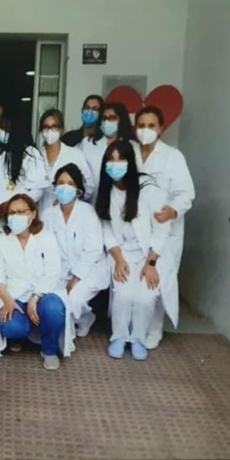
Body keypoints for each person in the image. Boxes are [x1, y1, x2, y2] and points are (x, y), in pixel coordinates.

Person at [95, 139, 178, 361]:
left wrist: (150, 264)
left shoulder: (148, 189)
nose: (115, 164)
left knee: (145, 296)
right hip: (121, 253)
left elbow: (161, 231)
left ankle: (138, 339)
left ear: (130, 162)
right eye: (110, 160)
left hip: (150, 254)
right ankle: (120, 337)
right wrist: (118, 259)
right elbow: (107, 231)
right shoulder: (107, 191)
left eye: (120, 159)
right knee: (123, 294)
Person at [132, 105, 195, 350]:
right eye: (141, 125)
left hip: (165, 228)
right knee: (138, 277)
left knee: (159, 278)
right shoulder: (132, 152)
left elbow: (186, 193)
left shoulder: (172, 156)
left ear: (161, 128)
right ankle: (135, 326)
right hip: (137, 228)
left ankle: (155, 327)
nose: (145, 130)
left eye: (151, 126)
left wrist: (173, 209)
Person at [0, 194, 70, 371]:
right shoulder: (1, 241)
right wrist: (8, 301)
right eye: (12, 213)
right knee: (12, 327)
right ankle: (20, 337)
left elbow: (53, 272)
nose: (15, 216)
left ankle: (49, 350)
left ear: (32, 214)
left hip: (43, 294)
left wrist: (35, 297)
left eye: (21, 212)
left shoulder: (46, 238)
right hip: (14, 296)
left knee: (54, 309)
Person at [41, 164, 109, 337]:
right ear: (54, 186)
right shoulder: (48, 215)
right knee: (55, 299)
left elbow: (93, 250)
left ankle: (84, 319)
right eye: (61, 182)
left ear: (78, 189)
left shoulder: (88, 212)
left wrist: (76, 277)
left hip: (89, 269)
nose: (65, 187)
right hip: (60, 271)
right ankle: (78, 320)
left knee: (74, 299)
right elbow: (45, 249)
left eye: (70, 183)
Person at [0, 94, 47, 236]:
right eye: (0, 128)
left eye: (7, 129)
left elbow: (38, 190)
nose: (2, 132)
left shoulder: (30, 154)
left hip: (20, 224)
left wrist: (11, 206)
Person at [79, 101, 135, 205]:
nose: (107, 121)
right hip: (92, 204)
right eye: (104, 118)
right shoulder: (87, 143)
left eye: (112, 118)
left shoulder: (132, 146)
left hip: (123, 204)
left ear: (121, 120)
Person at [36, 109, 90, 212]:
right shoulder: (35, 156)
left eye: (54, 126)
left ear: (61, 129)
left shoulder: (75, 154)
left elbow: (88, 186)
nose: (49, 130)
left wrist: (70, 200)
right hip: (40, 215)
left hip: (68, 214)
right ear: (40, 130)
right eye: (46, 127)